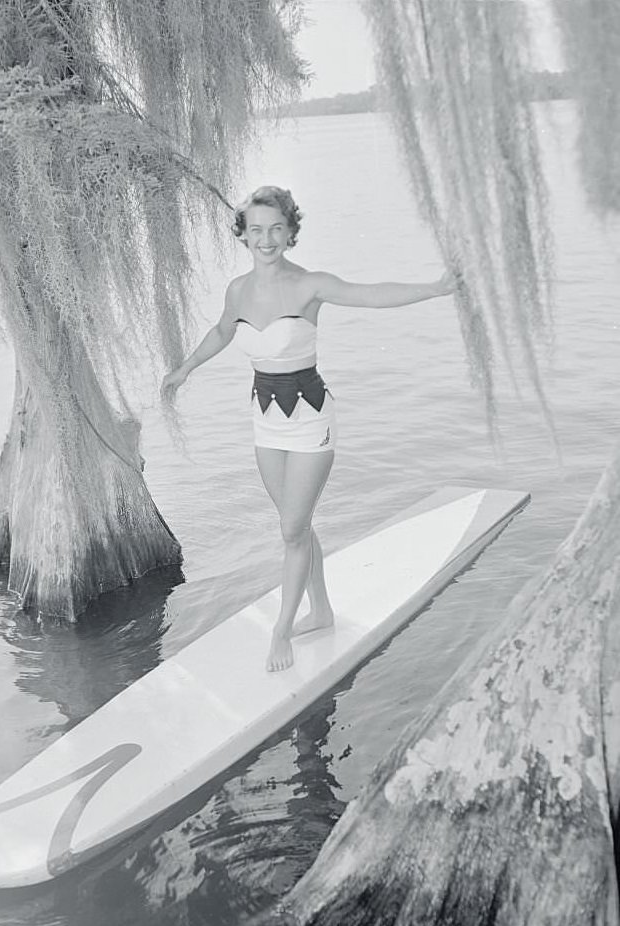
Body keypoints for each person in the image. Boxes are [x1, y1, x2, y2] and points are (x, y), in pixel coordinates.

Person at [161, 186, 456, 673]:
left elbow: (369, 296)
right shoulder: (237, 290)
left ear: (291, 231)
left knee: (291, 529)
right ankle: (320, 611)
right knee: (295, 526)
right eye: (256, 229)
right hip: (264, 420)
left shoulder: (309, 285)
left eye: (276, 228)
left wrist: (433, 288)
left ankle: (283, 628)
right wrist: (184, 369)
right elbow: (221, 332)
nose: (266, 238)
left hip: (310, 421)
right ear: (244, 234)